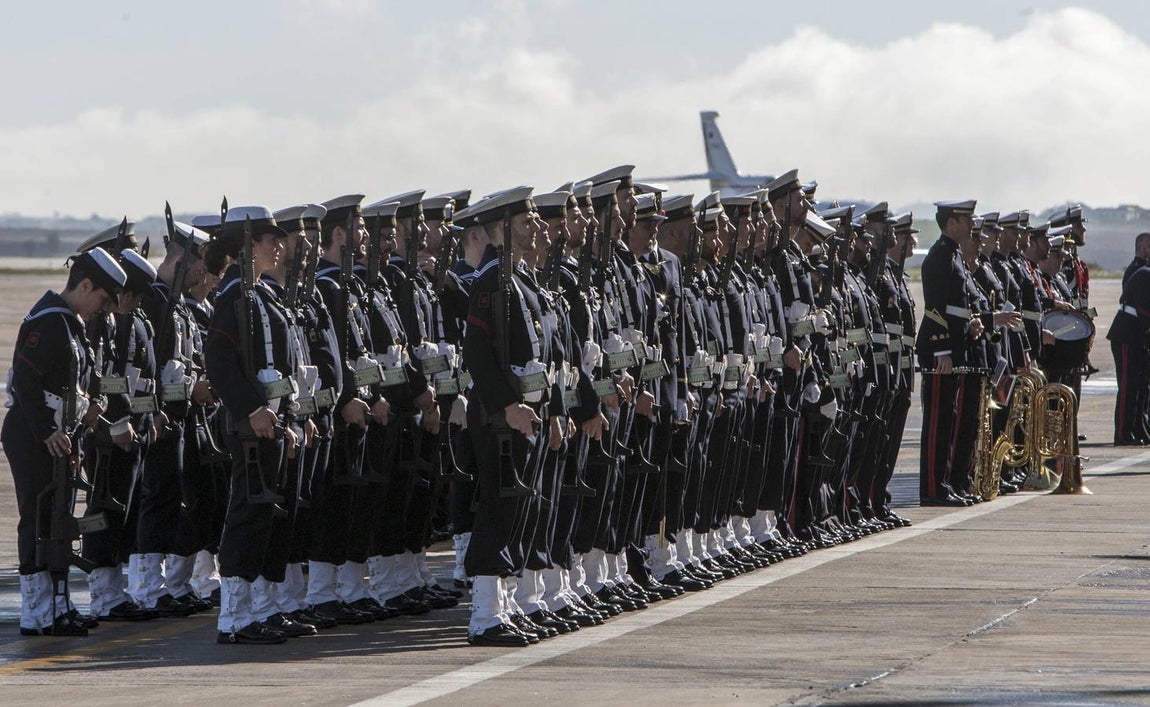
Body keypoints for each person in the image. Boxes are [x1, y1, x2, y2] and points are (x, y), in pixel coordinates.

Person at [4, 247, 126, 636]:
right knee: (37, 520)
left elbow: (72, 385)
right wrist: (46, 431)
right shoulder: (49, 322)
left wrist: (83, 416)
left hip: (57, 438)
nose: (103, 309)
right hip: (32, 435)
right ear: (85, 284)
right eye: (102, 299)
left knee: (58, 523)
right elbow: (24, 382)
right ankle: (36, 613)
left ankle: (58, 606)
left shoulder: (71, 325)